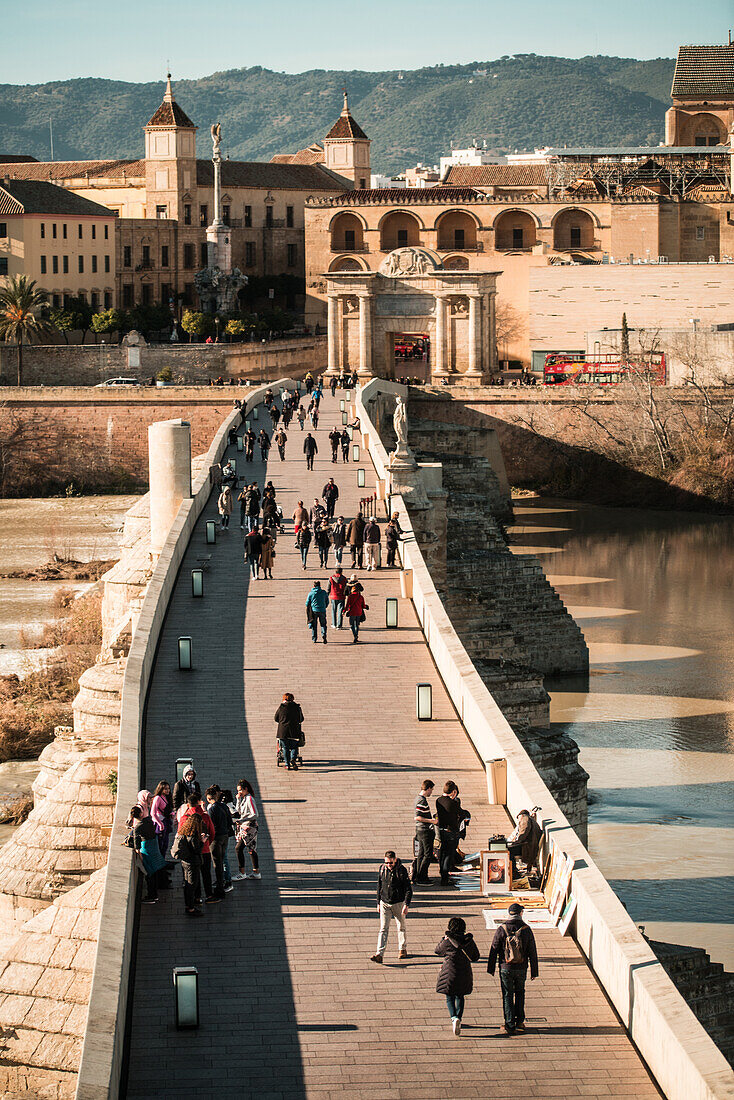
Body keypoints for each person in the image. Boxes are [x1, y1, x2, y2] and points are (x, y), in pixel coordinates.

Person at [488, 902, 539, 1034]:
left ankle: (509, 1023)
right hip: (521, 967)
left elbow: (494, 949)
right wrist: (534, 971)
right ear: (520, 913)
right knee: (520, 992)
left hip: (506, 967)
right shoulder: (526, 929)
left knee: (507, 994)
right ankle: (520, 1022)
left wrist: (491, 967)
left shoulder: (501, 929)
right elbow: (532, 952)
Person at [435, 916, 481, 1036]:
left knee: (449, 996)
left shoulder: (447, 941)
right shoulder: (468, 941)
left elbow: (438, 950)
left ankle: (454, 1017)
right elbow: (475, 956)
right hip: (464, 972)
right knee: (460, 996)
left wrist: (443, 939)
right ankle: (459, 1018)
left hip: (448, 973)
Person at [371, 850, 412, 963]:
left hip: (398, 903)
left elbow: (408, 889)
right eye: (387, 863)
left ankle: (402, 949)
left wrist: (406, 904)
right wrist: (378, 902)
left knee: (401, 926)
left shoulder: (402, 871)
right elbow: (379, 886)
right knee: (383, 929)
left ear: (395, 860)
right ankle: (379, 954)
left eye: (390, 863)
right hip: (385, 903)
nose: (388, 865)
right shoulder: (382, 869)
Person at [180, 793, 218, 904]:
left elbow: (180, 833)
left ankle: (196, 897)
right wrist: (207, 843)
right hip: (205, 850)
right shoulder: (205, 816)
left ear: (188, 804)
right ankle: (209, 895)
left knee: (193, 876)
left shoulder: (184, 818)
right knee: (206, 873)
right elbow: (212, 832)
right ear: (198, 802)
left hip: (191, 852)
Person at [129, 805, 167, 904]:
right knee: (154, 871)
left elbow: (137, 846)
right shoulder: (148, 821)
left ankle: (151, 896)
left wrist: (141, 858)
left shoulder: (137, 827)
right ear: (141, 814)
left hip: (146, 849)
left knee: (149, 873)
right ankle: (155, 895)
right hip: (154, 846)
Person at [435, 781, 469, 886]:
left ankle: (442, 873)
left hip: (442, 830)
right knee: (448, 855)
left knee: (443, 852)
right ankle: (445, 878)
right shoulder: (452, 803)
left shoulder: (438, 800)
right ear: (453, 792)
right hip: (451, 832)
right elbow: (462, 814)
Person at [173, 811, 204, 917]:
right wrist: (203, 841)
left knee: (187, 884)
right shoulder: (193, 835)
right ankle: (190, 908)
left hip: (184, 861)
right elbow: (197, 850)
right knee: (192, 885)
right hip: (192, 863)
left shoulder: (184, 831)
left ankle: (188, 905)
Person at [232, 778, 261, 878]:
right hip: (244, 828)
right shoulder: (244, 798)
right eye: (238, 790)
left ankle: (243, 872)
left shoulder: (249, 799)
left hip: (249, 828)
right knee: (251, 849)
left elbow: (255, 814)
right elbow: (238, 811)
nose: (239, 792)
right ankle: (255, 872)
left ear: (246, 789)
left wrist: (242, 820)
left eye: (240, 790)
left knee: (240, 849)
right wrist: (238, 799)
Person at [205, 785, 229, 900]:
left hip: (216, 838)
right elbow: (230, 821)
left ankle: (219, 889)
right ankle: (223, 883)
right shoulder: (224, 806)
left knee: (217, 863)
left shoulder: (212, 809)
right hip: (225, 836)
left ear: (209, 798)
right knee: (222, 860)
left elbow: (210, 826)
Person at [274, 692, 304, 771]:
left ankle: (287, 764)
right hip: (294, 731)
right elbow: (301, 719)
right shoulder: (297, 708)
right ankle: (293, 759)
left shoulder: (281, 707)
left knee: (285, 748)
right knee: (294, 747)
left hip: (283, 731)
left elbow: (276, 718)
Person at [414, 779, 436, 884]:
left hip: (420, 830)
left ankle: (419, 875)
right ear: (428, 789)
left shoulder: (417, 798)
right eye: (431, 790)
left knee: (421, 854)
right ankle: (422, 876)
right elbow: (418, 817)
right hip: (424, 830)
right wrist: (431, 821)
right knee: (428, 854)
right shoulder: (422, 801)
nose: (431, 792)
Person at [150, 780, 173, 858]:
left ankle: (162, 861)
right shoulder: (157, 798)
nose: (167, 790)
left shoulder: (166, 797)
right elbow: (152, 813)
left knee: (165, 844)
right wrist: (160, 823)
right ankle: (159, 862)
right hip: (159, 823)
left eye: (168, 788)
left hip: (165, 821)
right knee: (160, 844)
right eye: (165, 789)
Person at [306, 578, 329, 643]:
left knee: (314, 625)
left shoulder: (311, 593)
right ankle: (324, 634)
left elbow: (307, 603)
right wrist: (325, 606)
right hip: (322, 610)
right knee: (323, 624)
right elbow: (327, 601)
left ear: (314, 586)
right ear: (320, 586)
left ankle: (314, 638)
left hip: (314, 611)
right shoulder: (324, 592)